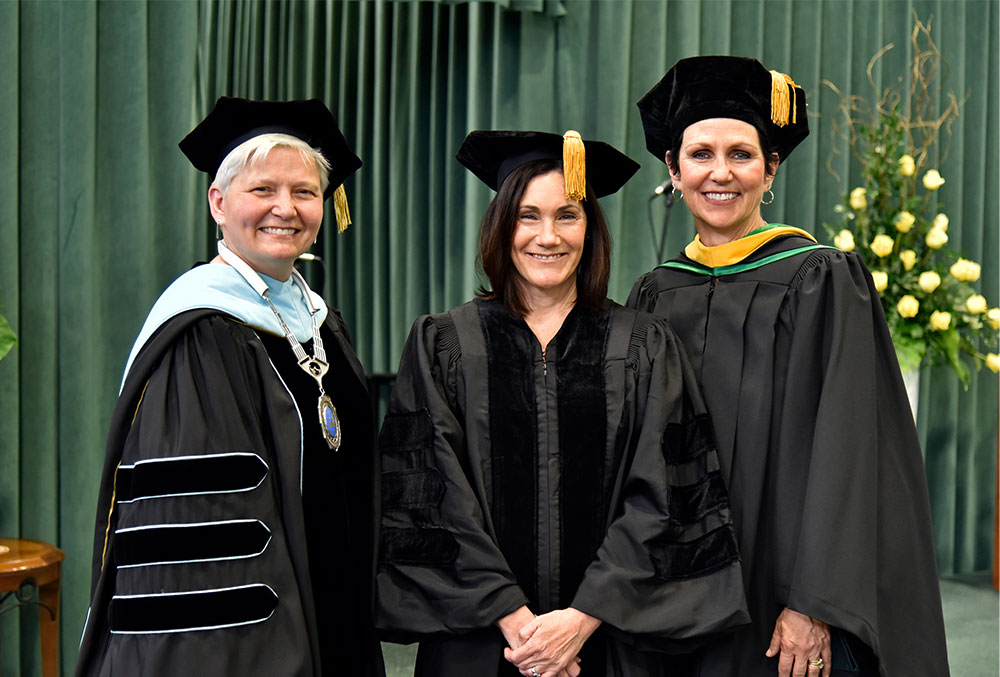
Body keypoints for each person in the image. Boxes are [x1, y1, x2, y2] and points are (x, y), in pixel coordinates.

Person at [375, 129, 750, 677]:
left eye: (567, 216)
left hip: (608, 642)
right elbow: (432, 495)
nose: (547, 236)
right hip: (483, 645)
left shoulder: (642, 344)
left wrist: (579, 619)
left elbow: (663, 493)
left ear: (590, 229)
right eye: (528, 216)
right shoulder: (445, 344)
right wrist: (516, 620)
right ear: (501, 227)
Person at [628, 56, 949, 677]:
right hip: (675, 595)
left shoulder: (821, 278)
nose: (721, 173)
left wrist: (814, 604)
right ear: (673, 169)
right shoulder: (655, 292)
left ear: (770, 169)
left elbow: (852, 452)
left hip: (782, 595)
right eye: (700, 154)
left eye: (742, 154)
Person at [75, 97, 384, 676]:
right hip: (255, 644)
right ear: (218, 202)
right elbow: (207, 528)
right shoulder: (201, 332)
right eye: (262, 190)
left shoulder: (319, 321)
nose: (285, 209)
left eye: (304, 192)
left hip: (336, 615)